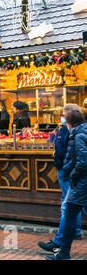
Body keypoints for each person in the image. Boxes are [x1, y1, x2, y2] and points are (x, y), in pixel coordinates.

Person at [38, 105, 86, 260]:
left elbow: (82, 160)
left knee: (69, 211)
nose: (62, 118)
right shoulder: (79, 132)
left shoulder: (78, 135)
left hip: (81, 182)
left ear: (69, 120)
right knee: (70, 211)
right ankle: (62, 250)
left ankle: (63, 252)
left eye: (64, 116)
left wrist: (70, 174)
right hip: (81, 181)